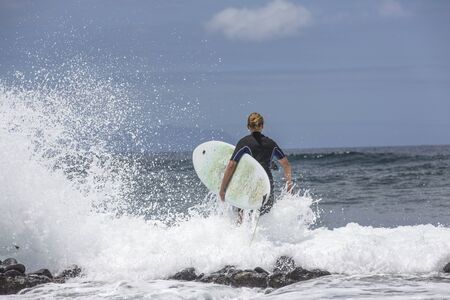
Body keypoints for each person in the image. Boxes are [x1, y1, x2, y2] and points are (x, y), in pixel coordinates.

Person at [219, 112, 292, 220]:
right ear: (262, 126)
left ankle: (241, 236)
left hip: (248, 183)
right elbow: (286, 164)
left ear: (248, 126)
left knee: (242, 217)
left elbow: (231, 165)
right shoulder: (271, 144)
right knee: (264, 218)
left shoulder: (244, 143)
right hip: (267, 184)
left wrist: (223, 189)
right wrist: (289, 185)